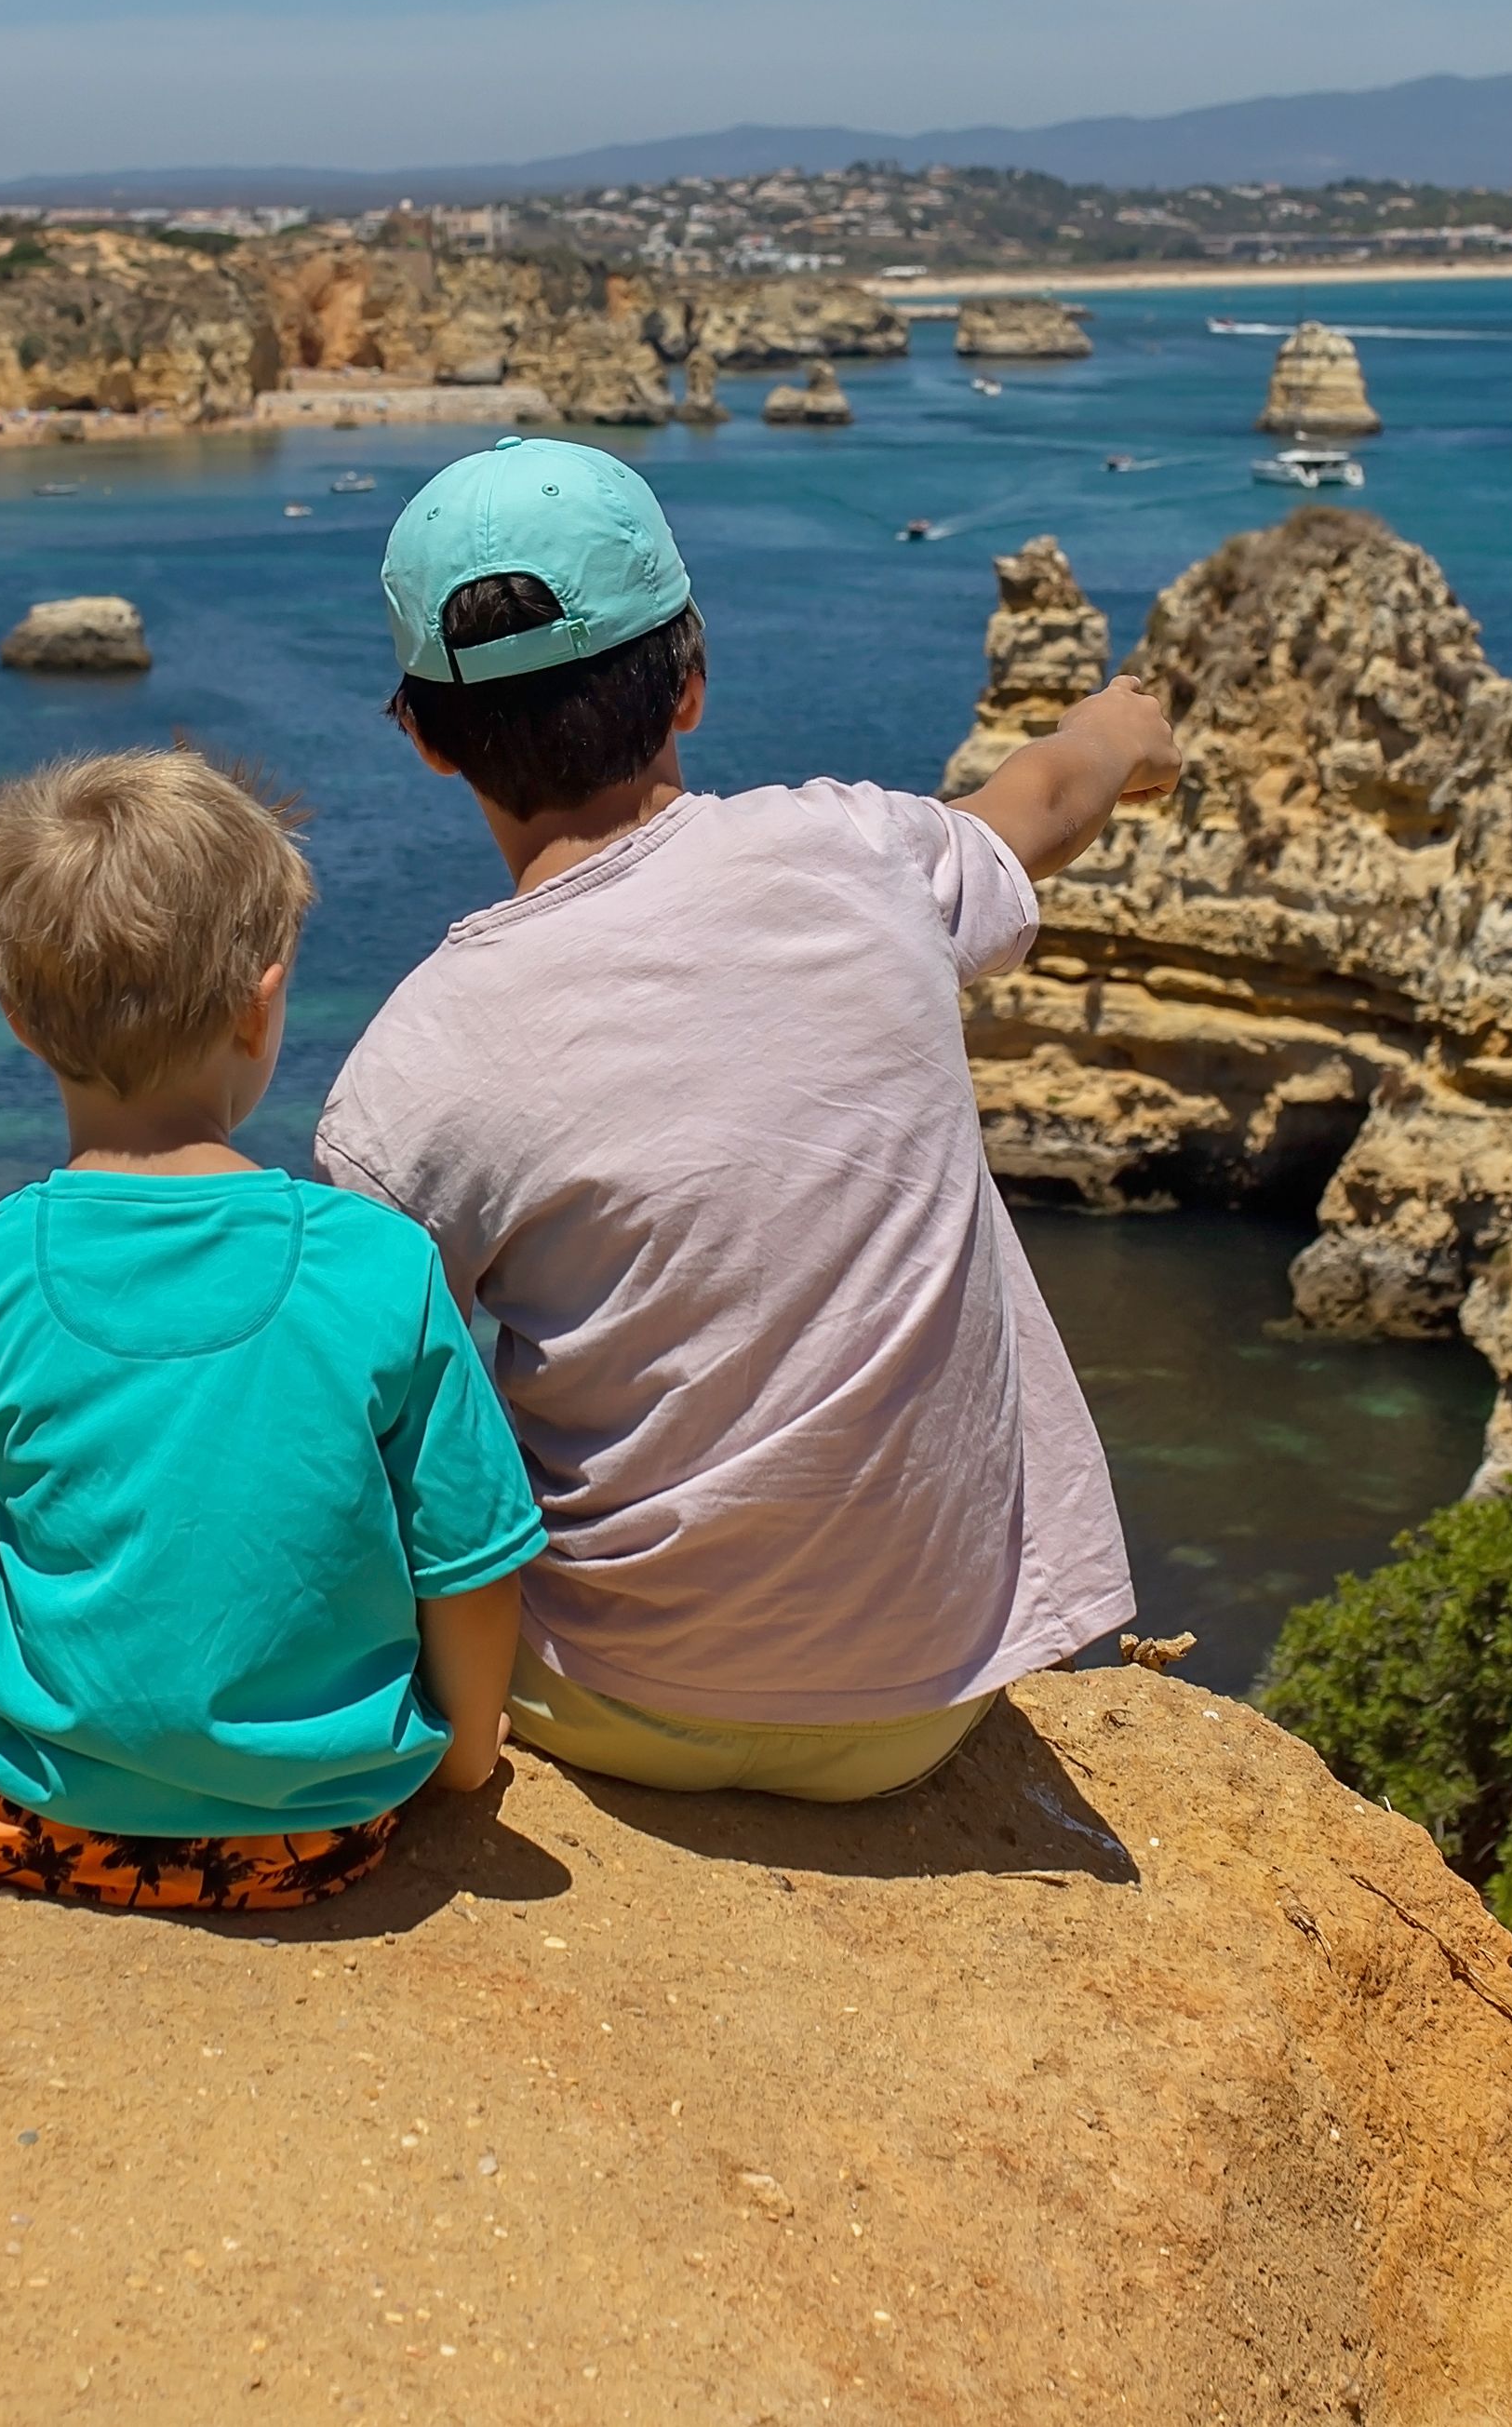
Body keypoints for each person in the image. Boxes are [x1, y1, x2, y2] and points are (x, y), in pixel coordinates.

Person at [314, 435, 1177, 1802]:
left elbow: (343, 1405)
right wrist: (1122, 730)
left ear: (424, 736)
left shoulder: (406, 1069)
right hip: (930, 1693)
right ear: (692, 685)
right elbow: (1042, 804)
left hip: (610, 1700)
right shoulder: (862, 851)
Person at [0, 748, 542, 1909]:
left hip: (39, 1815)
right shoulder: (382, 1266)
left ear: (17, 1018)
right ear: (260, 1005)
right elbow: (469, 1569)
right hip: (316, 1834)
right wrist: (464, 1758)